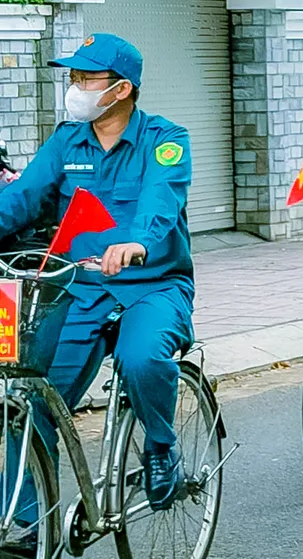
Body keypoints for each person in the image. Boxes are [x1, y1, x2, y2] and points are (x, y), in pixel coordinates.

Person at [0, 33, 195, 553]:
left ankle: (160, 446)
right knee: (30, 396)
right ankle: (25, 530)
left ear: (121, 89)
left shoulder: (165, 138)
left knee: (140, 359)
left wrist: (138, 241)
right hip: (79, 290)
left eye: (87, 78)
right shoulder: (66, 141)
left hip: (152, 286)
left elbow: (162, 198)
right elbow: (20, 199)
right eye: (75, 78)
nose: (77, 87)